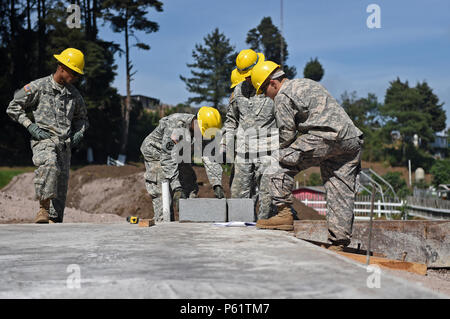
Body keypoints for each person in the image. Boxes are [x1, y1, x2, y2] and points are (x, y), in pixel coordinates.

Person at [250, 61, 363, 251]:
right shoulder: (307, 83)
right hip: (351, 140)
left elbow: (286, 136)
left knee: (276, 161)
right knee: (339, 189)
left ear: (272, 83)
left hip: (325, 137)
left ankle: (284, 213)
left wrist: (273, 149)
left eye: (264, 91)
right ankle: (339, 243)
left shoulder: (282, 95)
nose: (266, 97)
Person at [6, 48, 89, 223]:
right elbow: (13, 107)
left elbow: (82, 119)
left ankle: (53, 221)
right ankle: (42, 210)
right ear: (61, 68)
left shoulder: (74, 95)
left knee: (59, 194)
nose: (75, 77)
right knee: (49, 165)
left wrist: (79, 133)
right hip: (43, 140)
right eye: (73, 73)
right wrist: (30, 126)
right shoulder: (38, 86)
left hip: (64, 146)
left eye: (77, 75)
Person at [221, 49, 278, 220]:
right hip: (243, 152)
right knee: (238, 194)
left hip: (268, 151)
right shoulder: (238, 92)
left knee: (268, 198)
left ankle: (266, 234)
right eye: (243, 74)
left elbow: (285, 119)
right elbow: (231, 121)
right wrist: (224, 144)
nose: (247, 78)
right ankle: (241, 234)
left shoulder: (272, 88)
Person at [141, 106, 225, 222]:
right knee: (164, 192)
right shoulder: (175, 126)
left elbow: (210, 157)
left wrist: (217, 184)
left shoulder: (205, 130)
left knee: (190, 184)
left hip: (179, 153)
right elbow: (167, 157)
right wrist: (176, 187)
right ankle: (163, 225)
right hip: (157, 153)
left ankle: (189, 221)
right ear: (195, 122)